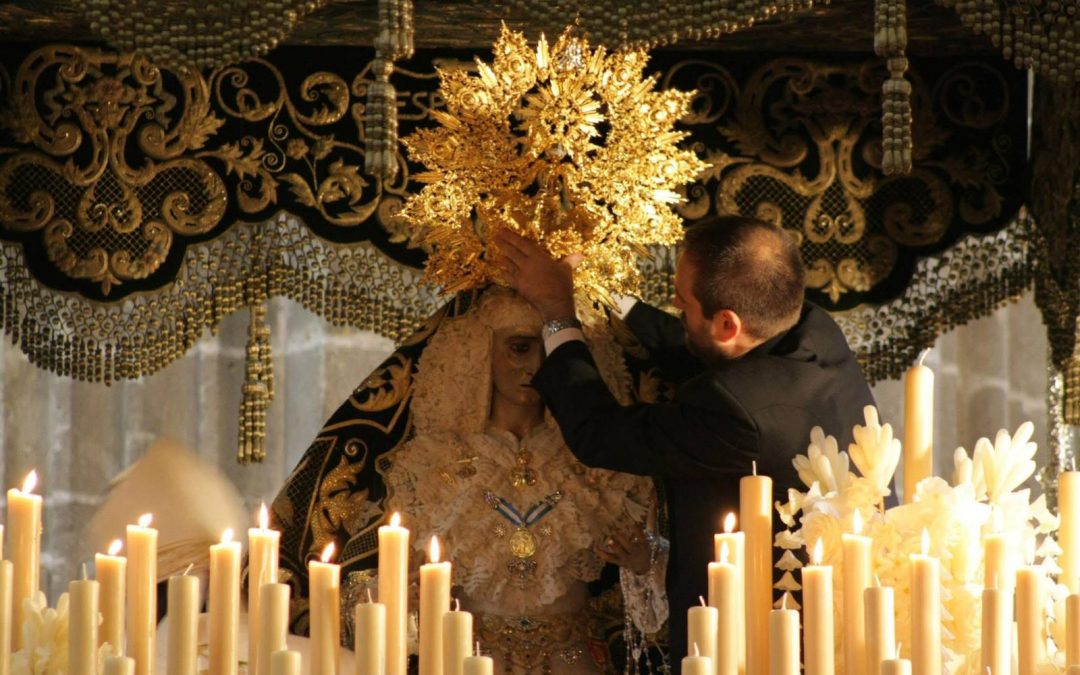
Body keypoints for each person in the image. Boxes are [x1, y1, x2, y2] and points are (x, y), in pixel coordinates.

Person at [495, 214, 876, 669]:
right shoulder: (810, 329)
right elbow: (696, 345)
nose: (675, 305)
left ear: (728, 323)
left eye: (683, 303)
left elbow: (600, 433)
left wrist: (558, 311)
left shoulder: (739, 412)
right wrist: (605, 293)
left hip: (758, 643)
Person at [383, 286, 666, 675]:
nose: (536, 367)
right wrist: (405, 598)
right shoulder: (431, 464)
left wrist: (646, 561)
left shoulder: (601, 466)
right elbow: (387, 584)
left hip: (573, 662)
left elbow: (655, 592)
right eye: (520, 348)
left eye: (550, 350)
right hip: (469, 660)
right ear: (481, 351)